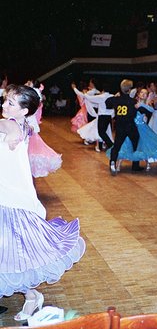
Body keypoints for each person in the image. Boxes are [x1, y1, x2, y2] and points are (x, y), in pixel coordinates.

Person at [0, 84, 85, 321]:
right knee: (10, 254)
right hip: (8, 195)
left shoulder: (11, 124)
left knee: (13, 254)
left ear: (24, 111)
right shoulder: (24, 124)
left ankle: (31, 296)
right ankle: (31, 296)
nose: (5, 105)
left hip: (10, 201)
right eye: (5, 101)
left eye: (10, 103)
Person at [107, 88, 157, 172]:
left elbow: (152, 110)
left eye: (145, 93)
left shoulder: (146, 104)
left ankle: (137, 165)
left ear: (147, 96)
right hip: (130, 127)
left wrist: (142, 105)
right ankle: (119, 164)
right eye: (141, 92)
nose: (143, 94)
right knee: (125, 145)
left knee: (141, 146)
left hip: (141, 128)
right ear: (138, 94)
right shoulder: (133, 102)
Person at [105, 79, 144, 174]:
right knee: (136, 143)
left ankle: (112, 162)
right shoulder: (132, 101)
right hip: (130, 126)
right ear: (130, 89)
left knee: (117, 146)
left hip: (120, 126)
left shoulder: (115, 100)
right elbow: (134, 114)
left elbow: (107, 103)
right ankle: (135, 165)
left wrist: (116, 96)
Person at [72, 82, 114, 151]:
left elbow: (90, 98)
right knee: (104, 131)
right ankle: (102, 145)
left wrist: (85, 93)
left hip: (102, 116)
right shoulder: (111, 96)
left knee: (101, 132)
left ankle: (110, 145)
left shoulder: (102, 96)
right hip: (109, 117)